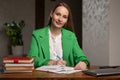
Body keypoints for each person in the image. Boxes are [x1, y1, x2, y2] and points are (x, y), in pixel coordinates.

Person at [28, 2, 90, 70]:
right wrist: (52, 62)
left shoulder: (71, 36)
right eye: (58, 14)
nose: (60, 19)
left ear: (66, 20)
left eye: (64, 17)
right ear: (51, 14)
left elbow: (81, 57)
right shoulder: (37, 34)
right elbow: (31, 59)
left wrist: (83, 63)